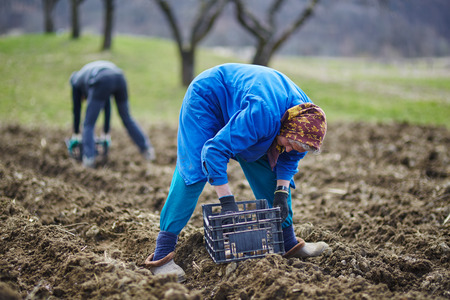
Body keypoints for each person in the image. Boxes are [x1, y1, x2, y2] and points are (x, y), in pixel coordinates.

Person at [144, 63, 330, 282]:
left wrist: (281, 191)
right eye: (289, 143)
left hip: (248, 111)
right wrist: (227, 202)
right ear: (286, 128)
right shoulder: (264, 116)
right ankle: (162, 255)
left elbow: (289, 157)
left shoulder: (307, 121)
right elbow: (214, 152)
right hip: (207, 99)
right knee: (193, 173)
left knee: (269, 174)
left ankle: (288, 242)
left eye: (296, 147)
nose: (289, 148)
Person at [68, 60, 155, 167]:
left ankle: (89, 159)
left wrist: (76, 133)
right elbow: (107, 104)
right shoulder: (86, 74)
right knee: (127, 117)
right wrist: (105, 132)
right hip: (119, 77)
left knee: (88, 123)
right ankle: (147, 150)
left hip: (102, 79)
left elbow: (77, 109)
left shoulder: (76, 83)